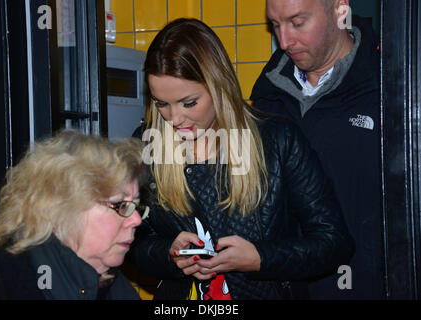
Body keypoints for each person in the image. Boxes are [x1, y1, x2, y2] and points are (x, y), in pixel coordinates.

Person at [129, 18, 354, 300]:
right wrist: (167, 254)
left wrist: (261, 258)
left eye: (189, 103)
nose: (174, 119)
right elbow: (131, 243)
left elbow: (334, 244)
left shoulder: (277, 140)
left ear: (218, 86)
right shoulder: (148, 143)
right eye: (161, 103)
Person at [250, 0, 382, 299]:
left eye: (297, 23)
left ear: (339, 9)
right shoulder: (267, 99)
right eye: (275, 25)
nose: (284, 41)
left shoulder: (391, 83)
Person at [0, 130, 149, 300]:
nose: (136, 219)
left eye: (135, 205)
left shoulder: (117, 288)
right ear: (60, 208)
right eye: (121, 205)